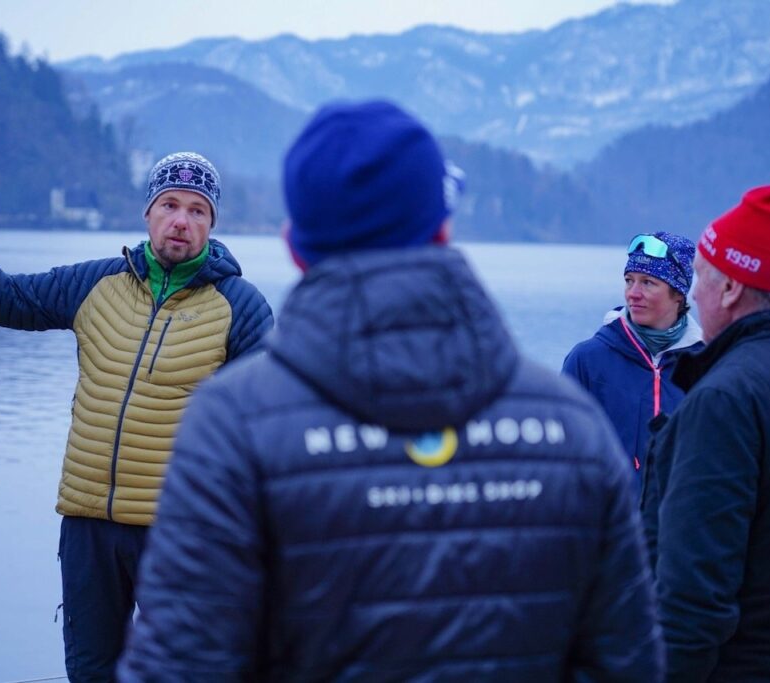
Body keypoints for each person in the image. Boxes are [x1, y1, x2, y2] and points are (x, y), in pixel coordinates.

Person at [116, 100, 663, 681]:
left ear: (296, 245)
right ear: (444, 230)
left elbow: (177, 667)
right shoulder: (569, 426)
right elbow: (627, 663)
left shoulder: (233, 425)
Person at [0, 151, 274, 683]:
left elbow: (269, 429)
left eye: (198, 211)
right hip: (87, 530)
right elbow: (0, 295)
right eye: (170, 204)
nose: (182, 221)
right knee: (90, 671)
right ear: (147, 213)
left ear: (212, 224)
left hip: (181, 536)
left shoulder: (241, 308)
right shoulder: (96, 285)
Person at [641, 173, 770, 681]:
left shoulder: (726, 401)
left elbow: (691, 602)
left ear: (729, 288)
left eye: (700, 276)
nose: (695, 294)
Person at [562, 232, 704, 490]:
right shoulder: (587, 361)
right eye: (629, 281)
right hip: (608, 525)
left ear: (678, 294)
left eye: (648, 283)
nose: (633, 293)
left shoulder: (707, 364)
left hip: (681, 524)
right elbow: (561, 456)